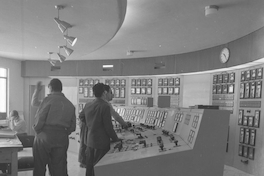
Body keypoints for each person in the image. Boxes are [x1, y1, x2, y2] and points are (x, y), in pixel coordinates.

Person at [32, 78, 76, 176]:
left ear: (50, 87)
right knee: (59, 168)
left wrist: (37, 130)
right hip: (62, 137)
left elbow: (40, 117)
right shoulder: (70, 104)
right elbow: (73, 126)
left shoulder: (47, 100)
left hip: (44, 136)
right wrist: (63, 132)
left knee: (39, 166)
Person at [78, 84, 128, 168]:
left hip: (90, 141)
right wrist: (116, 139)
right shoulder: (105, 106)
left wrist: (91, 124)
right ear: (104, 92)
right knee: (99, 168)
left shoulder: (88, 104)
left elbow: (81, 116)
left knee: (90, 168)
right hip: (101, 143)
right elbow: (108, 127)